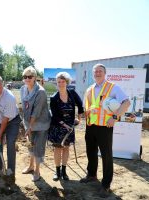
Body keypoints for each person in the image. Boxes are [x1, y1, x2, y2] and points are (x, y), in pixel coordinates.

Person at [81, 64, 130, 197]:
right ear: (93, 74)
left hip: (104, 127)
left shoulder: (113, 87)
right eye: (95, 71)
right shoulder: (89, 89)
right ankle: (91, 174)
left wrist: (115, 117)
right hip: (91, 125)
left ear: (105, 73)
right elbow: (88, 107)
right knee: (90, 152)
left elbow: (126, 102)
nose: (97, 73)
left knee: (106, 156)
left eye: (100, 71)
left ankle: (106, 184)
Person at [48, 72, 83, 181]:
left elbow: (80, 105)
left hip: (70, 125)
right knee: (58, 149)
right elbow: (55, 116)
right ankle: (57, 172)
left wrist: (79, 118)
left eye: (63, 82)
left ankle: (64, 171)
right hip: (58, 126)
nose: (61, 84)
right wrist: (65, 125)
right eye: (59, 82)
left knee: (66, 148)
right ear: (56, 83)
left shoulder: (72, 93)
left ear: (66, 82)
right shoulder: (53, 98)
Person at [0, 75, 21, 183]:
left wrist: (0, 136)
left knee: (10, 144)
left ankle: (10, 174)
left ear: (3, 85)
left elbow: (5, 120)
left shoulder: (9, 98)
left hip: (12, 121)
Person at [20, 66, 51, 182]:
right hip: (29, 123)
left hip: (41, 124)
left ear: (35, 78)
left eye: (30, 76)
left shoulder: (41, 92)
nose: (27, 79)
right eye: (25, 76)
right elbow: (24, 106)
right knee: (30, 145)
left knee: (38, 147)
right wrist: (27, 125)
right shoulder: (23, 89)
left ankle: (37, 170)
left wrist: (30, 127)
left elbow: (36, 112)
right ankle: (30, 166)